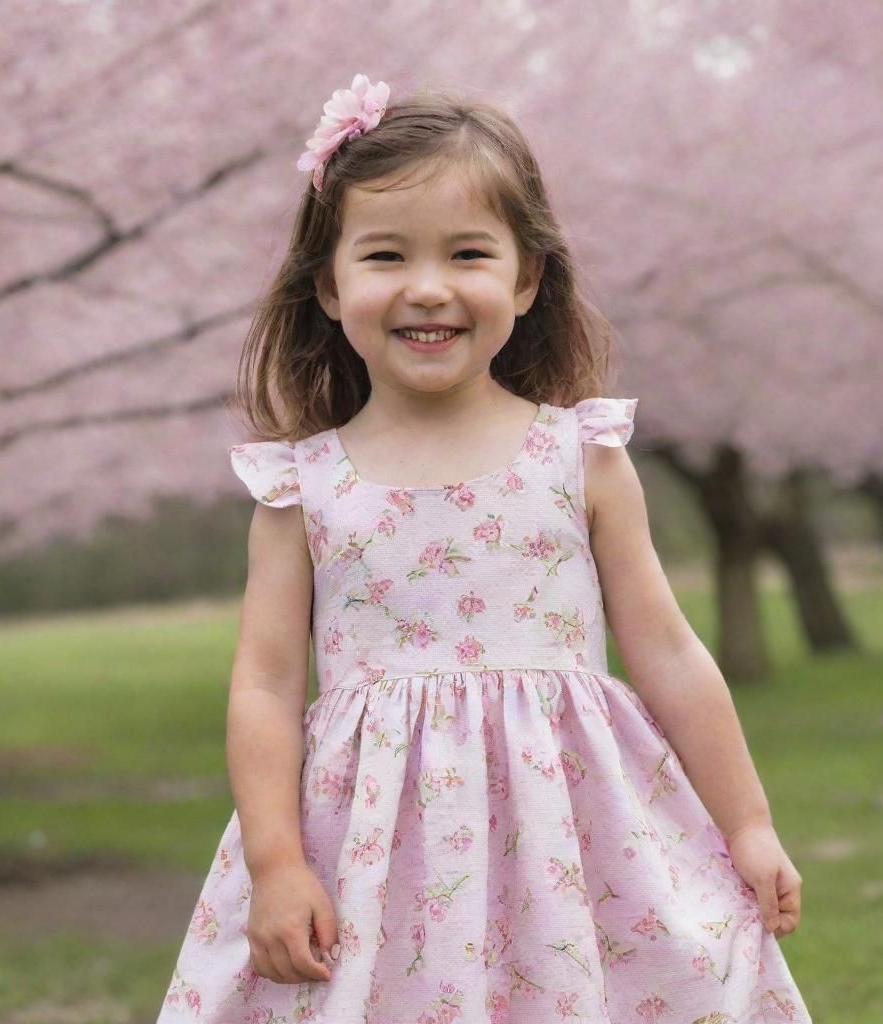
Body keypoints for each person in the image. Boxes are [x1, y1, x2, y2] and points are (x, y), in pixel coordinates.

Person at [157, 73, 812, 1023]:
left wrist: (746, 825)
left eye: (468, 253)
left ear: (526, 278)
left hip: (575, 840)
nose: (428, 288)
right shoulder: (303, 488)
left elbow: (668, 651)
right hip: (371, 855)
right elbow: (263, 685)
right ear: (331, 290)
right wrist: (277, 860)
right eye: (385, 255)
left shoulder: (579, 457)